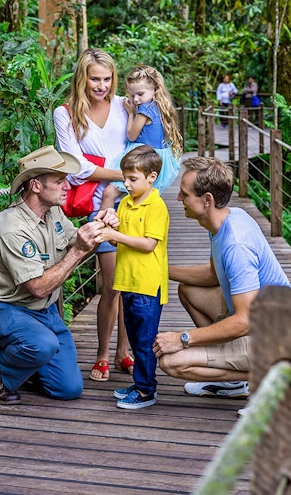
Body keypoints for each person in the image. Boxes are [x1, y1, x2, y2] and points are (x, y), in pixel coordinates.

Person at [0, 145, 119, 405]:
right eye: (59, 181)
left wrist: (101, 226)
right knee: (42, 345)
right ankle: (1, 370)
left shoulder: (53, 211)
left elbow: (78, 240)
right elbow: (39, 287)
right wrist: (78, 251)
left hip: (46, 313)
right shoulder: (11, 226)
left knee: (69, 389)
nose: (67, 187)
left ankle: (28, 365)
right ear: (36, 186)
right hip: (6, 310)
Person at [153, 156, 290, 398]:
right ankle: (233, 378)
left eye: (184, 195)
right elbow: (213, 274)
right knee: (188, 290)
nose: (178, 199)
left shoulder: (236, 243)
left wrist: (183, 339)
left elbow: (244, 321)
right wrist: (160, 270)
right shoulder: (225, 219)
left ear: (207, 200)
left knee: (171, 361)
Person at [53, 48, 134, 382]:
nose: (101, 86)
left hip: (136, 202)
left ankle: (124, 353)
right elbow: (76, 168)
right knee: (112, 285)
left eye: (107, 78)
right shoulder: (66, 113)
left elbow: (145, 146)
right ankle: (102, 353)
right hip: (99, 207)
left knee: (134, 284)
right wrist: (127, 174)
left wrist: (127, 178)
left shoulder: (125, 106)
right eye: (95, 79)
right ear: (82, 78)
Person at [99, 145, 169, 409]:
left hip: (148, 285)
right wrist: (111, 227)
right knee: (133, 333)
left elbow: (149, 244)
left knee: (144, 341)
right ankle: (140, 382)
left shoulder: (157, 206)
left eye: (132, 179)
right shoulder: (126, 203)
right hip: (127, 281)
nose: (125, 184)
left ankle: (146, 392)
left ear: (151, 177)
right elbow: (123, 243)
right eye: (125, 178)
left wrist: (114, 236)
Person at [100, 65, 182, 209]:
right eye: (132, 95)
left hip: (142, 158)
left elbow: (132, 135)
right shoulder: (160, 106)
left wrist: (131, 112)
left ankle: (101, 229)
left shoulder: (144, 110)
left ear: (154, 89)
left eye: (140, 94)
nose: (136, 99)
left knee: (109, 193)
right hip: (158, 158)